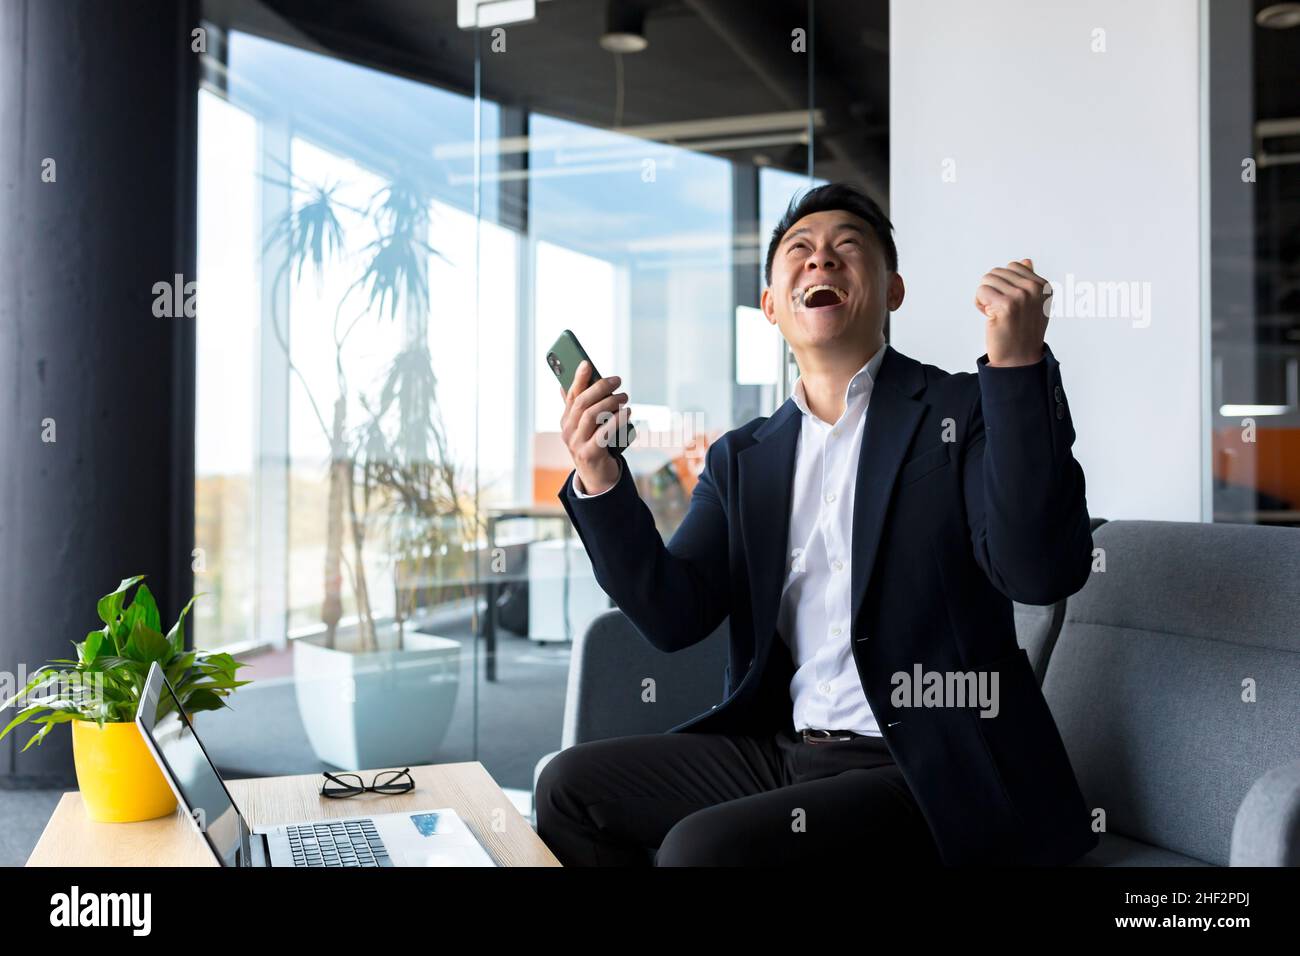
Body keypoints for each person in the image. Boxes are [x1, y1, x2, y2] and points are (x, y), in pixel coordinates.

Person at [536, 182, 1097, 867]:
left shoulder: (964, 409)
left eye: (846, 249)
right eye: (799, 251)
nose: (821, 261)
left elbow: (1039, 571)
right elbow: (672, 614)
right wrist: (599, 475)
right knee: (566, 789)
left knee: (699, 852)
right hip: (786, 752)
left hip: (932, 769)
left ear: (892, 290)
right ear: (771, 307)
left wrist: (1017, 367)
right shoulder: (743, 457)